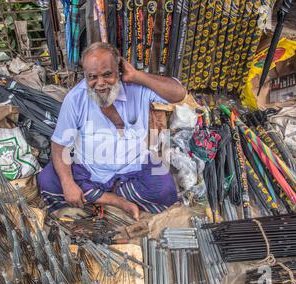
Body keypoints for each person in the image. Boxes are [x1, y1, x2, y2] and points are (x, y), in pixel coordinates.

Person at [37, 42, 187, 220]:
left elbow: (179, 94)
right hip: (90, 170)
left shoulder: (137, 88)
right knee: (48, 180)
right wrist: (68, 183)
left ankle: (98, 196)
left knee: (165, 190)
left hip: (134, 167)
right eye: (92, 77)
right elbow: (59, 144)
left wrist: (138, 76)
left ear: (119, 70)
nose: (100, 84)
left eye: (107, 74)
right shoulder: (75, 98)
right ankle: (117, 200)